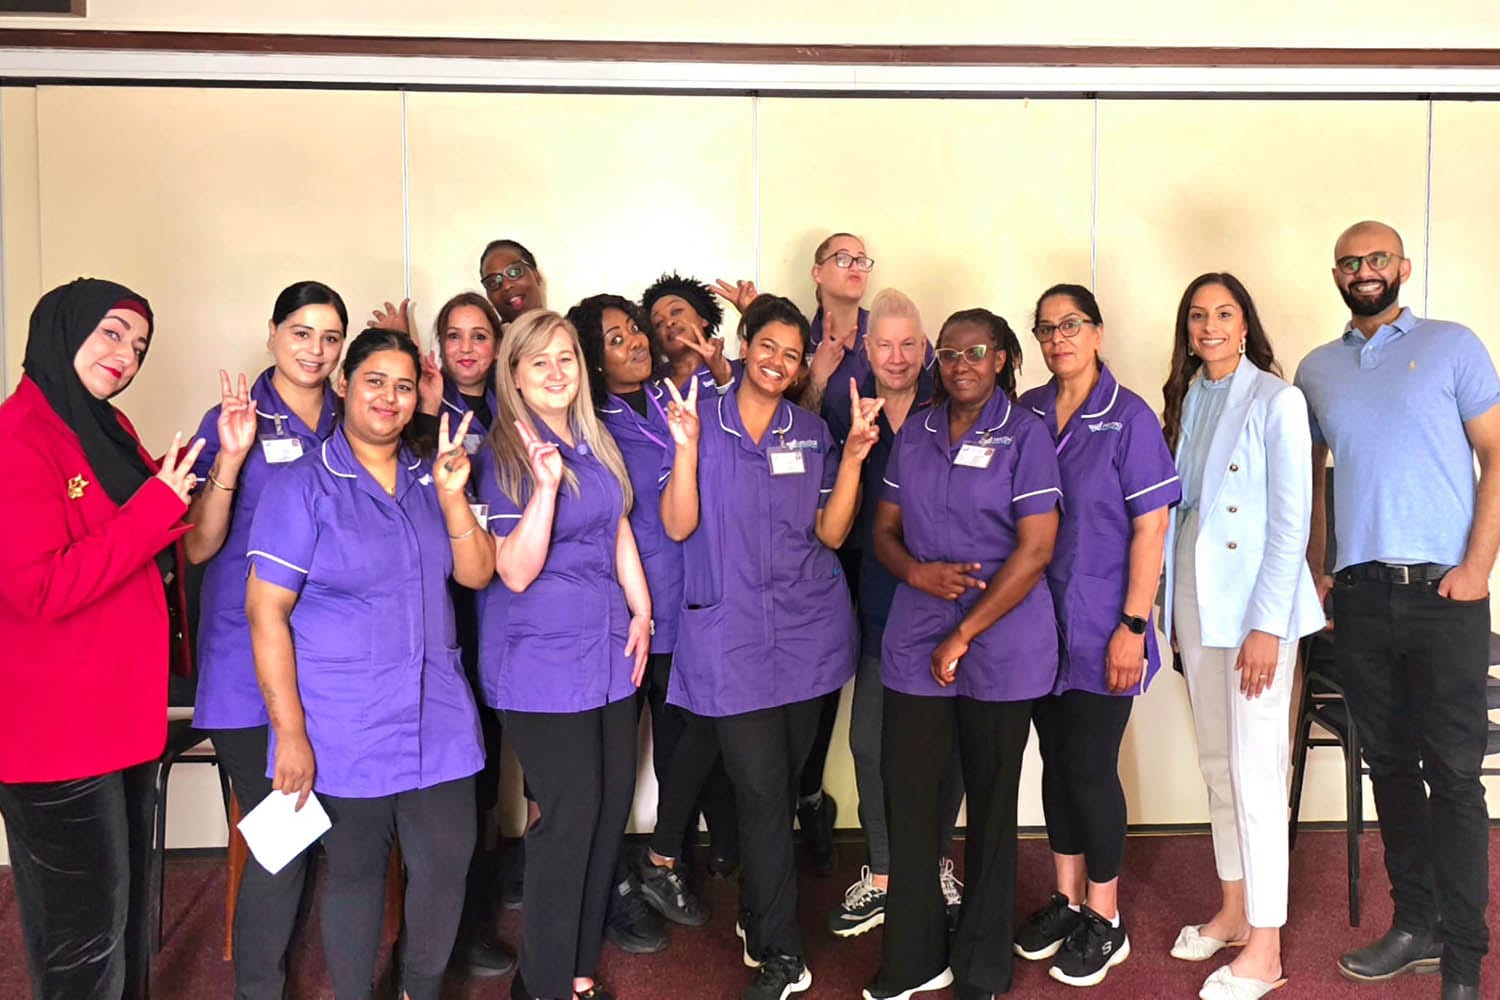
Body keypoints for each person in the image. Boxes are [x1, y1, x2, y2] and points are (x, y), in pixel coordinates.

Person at [246, 328, 492, 1000]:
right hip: (342, 724)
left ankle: (418, 988)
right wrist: (289, 732)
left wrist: (451, 499)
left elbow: (476, 573)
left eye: (404, 385)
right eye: (375, 380)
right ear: (346, 385)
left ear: (418, 400)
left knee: (445, 869)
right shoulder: (303, 486)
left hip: (437, 716)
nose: (389, 396)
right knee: (355, 876)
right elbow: (266, 613)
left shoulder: (429, 479)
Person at [1296, 221, 1500, 1000]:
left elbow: (1498, 453)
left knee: (1452, 775)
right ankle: (1415, 925)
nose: (1364, 270)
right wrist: (1317, 570)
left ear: (1403, 267)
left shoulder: (1453, 346)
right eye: (1349, 261)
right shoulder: (1319, 370)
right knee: (1386, 766)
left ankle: (1465, 956)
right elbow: (1312, 475)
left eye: (1377, 258)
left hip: (1446, 595)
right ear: (1337, 275)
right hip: (1362, 598)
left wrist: (1478, 568)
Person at [660, 294, 875, 1000]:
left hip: (809, 633)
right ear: (744, 344)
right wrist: (687, 450)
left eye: (792, 352)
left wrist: (855, 460)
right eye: (769, 347)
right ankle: (785, 956)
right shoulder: (699, 418)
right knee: (760, 789)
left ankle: (761, 916)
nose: (780, 362)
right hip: (730, 637)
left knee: (776, 787)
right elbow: (680, 524)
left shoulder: (810, 430)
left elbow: (834, 534)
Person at [0, 278, 201, 1000]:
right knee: (81, 940)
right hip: (55, 736)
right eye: (112, 332)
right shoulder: (18, 437)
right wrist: (156, 508)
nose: (126, 355)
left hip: (120, 718)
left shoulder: (103, 427)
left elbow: (141, 540)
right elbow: (41, 587)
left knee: (123, 921)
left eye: (139, 345)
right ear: (63, 327)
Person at [863, 307, 1061, 1000]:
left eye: (976, 351)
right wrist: (915, 574)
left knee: (992, 804)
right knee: (911, 802)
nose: (961, 364)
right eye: (948, 354)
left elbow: (1036, 549)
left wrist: (965, 630)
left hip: (1003, 641)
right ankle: (915, 959)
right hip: (917, 633)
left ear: (1002, 357)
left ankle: (982, 965)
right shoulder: (913, 431)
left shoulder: (1026, 434)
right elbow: (885, 528)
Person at [472, 308, 652, 1000]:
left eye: (567, 358)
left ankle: (577, 970)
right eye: (538, 361)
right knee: (568, 816)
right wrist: (545, 490)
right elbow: (513, 570)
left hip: (607, 645)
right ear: (513, 375)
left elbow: (618, 529)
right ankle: (542, 985)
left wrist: (643, 609)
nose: (556, 372)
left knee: (607, 812)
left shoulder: (594, 437)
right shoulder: (503, 454)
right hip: (539, 660)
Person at [1160, 273, 1325, 1000]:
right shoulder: (1191, 395)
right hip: (1198, 605)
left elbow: (1293, 523)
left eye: (1223, 313)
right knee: (1219, 764)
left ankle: (1267, 947)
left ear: (1245, 322)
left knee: (1258, 772)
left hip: (1256, 612)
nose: (1209, 326)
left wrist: (1268, 626)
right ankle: (1232, 910)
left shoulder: (1277, 400)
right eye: (1198, 315)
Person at [1014, 284, 1179, 989]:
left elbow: (1152, 527)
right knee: (1054, 764)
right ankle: (1066, 897)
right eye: (1046, 329)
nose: (1058, 339)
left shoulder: (1130, 417)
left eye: (1071, 325)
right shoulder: (1023, 411)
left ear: (1098, 332)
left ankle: (1105, 919)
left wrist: (1133, 627)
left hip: (1103, 626)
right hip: (1032, 629)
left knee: (1089, 767)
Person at [185, 280, 347, 1000]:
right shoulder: (234, 418)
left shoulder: (356, 416)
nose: (315, 350)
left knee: (339, 831)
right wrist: (229, 457)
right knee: (285, 835)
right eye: (302, 332)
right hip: (246, 659)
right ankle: (259, 989)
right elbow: (196, 547)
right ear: (273, 333)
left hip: (333, 659)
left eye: (331, 337)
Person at [568, 294, 739, 941]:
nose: (637, 342)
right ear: (593, 356)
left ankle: (665, 864)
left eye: (634, 331)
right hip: (625, 617)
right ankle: (618, 886)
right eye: (616, 339)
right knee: (611, 766)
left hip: (689, 603)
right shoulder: (590, 422)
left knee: (685, 744)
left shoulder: (675, 398)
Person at [822, 288, 964, 939]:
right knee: (869, 743)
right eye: (885, 343)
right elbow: (835, 525)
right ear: (868, 348)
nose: (898, 356)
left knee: (944, 747)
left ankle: (933, 864)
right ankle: (882, 875)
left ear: (925, 347)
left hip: (950, 604)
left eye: (910, 344)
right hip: (880, 603)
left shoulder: (956, 404)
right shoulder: (848, 405)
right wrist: (855, 447)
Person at [642, 271, 736, 396]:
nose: (669, 323)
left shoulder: (739, 371)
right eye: (659, 323)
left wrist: (724, 382)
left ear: (703, 319)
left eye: (676, 311)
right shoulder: (649, 386)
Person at [482, 239, 548, 326]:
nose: (506, 286)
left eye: (514, 272)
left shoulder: (567, 334)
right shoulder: (490, 339)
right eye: (493, 282)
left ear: (536, 275)